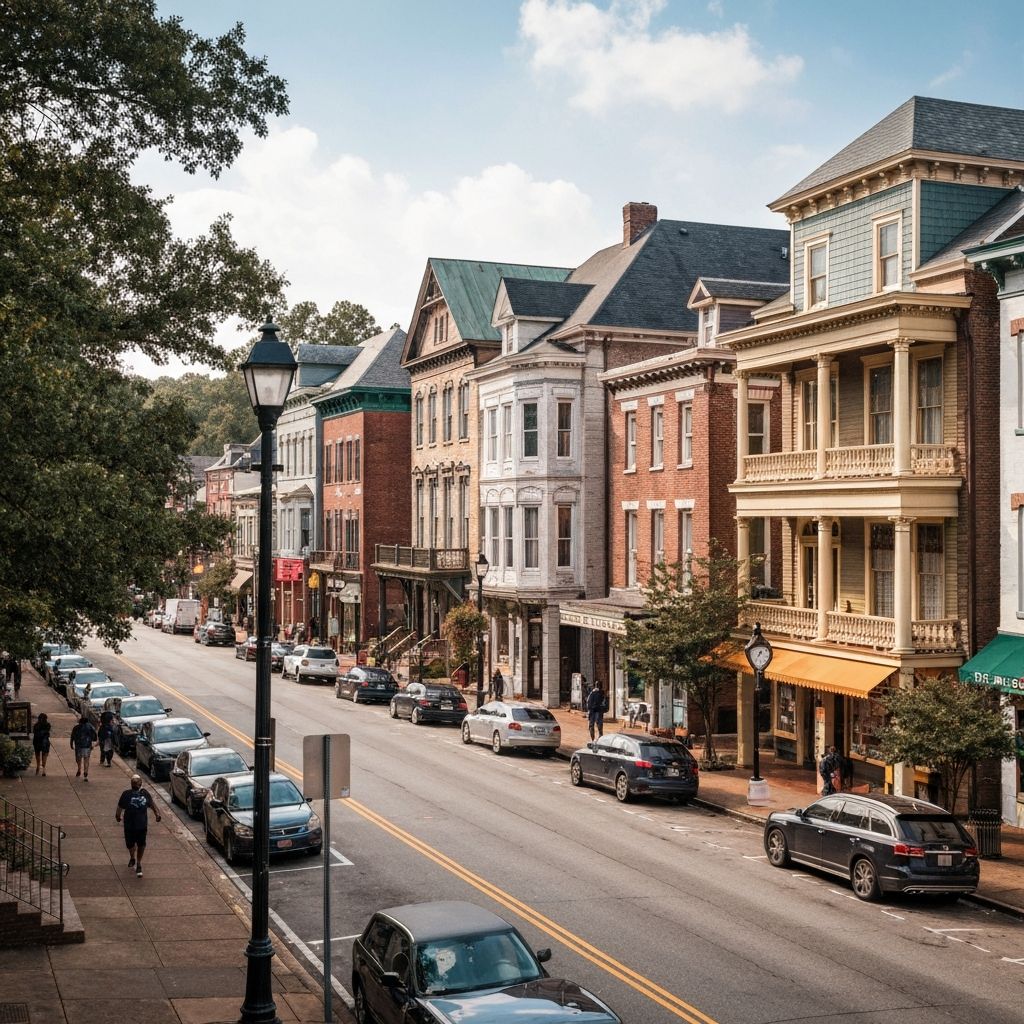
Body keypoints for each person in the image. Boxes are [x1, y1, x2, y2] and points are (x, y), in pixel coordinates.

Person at [116, 774, 161, 878]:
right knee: (130, 845)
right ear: (132, 784)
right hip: (129, 825)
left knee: (141, 845)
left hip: (141, 825)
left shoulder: (145, 793)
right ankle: (132, 857)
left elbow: (152, 804)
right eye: (134, 782)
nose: (136, 784)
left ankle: (139, 863)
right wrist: (117, 816)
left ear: (141, 784)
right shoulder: (126, 794)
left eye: (138, 782)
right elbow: (120, 807)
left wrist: (157, 814)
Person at [70, 715, 98, 781]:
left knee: (78, 759)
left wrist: (71, 744)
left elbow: (72, 737)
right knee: (86, 760)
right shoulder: (90, 727)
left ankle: (79, 769)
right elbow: (95, 737)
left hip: (78, 746)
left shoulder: (76, 727)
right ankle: (85, 773)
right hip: (87, 746)